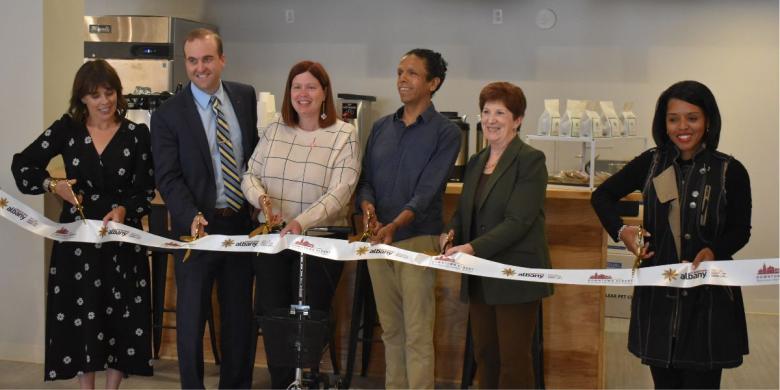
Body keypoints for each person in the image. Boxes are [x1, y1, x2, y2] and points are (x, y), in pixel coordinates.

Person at [591, 80, 751, 389]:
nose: (682, 127)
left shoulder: (731, 171)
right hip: (658, 301)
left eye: (692, 117)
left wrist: (714, 251)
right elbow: (603, 196)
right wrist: (622, 230)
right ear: (663, 123)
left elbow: (740, 230)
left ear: (708, 121)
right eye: (673, 118)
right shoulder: (650, 163)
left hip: (708, 300)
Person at [11, 59, 155, 388]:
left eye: (109, 93)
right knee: (81, 321)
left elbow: (145, 191)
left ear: (119, 94)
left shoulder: (137, 135)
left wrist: (123, 211)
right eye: (94, 95)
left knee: (122, 319)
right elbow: (23, 166)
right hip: (76, 247)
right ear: (82, 99)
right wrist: (52, 185)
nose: (104, 101)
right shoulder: (67, 130)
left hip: (121, 243)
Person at [241, 60, 360, 388]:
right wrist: (260, 199)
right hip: (273, 239)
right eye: (296, 87)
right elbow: (250, 174)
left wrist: (300, 222)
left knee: (308, 318)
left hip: (319, 242)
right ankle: (282, 382)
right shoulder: (275, 128)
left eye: (310, 87)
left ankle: (307, 380)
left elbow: (341, 192)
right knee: (274, 315)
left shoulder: (344, 135)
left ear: (324, 93)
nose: (302, 94)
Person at [150, 28, 258, 389]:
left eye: (207, 59)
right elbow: (168, 177)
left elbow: (253, 160)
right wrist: (190, 216)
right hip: (196, 228)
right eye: (193, 61)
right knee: (192, 321)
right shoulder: (168, 114)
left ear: (222, 59)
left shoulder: (245, 97)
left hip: (241, 226)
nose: (200, 68)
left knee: (239, 319)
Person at [355, 48, 460, 389]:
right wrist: (368, 208)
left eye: (412, 73)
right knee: (391, 332)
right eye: (400, 71)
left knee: (416, 334)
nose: (402, 79)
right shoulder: (382, 127)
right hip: (378, 243)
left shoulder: (446, 133)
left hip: (416, 241)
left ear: (433, 83)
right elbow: (366, 179)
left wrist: (395, 225)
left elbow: (427, 191)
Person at [441, 81, 553, 389]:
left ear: (517, 119)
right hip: (479, 276)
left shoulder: (530, 160)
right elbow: (464, 213)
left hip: (515, 276)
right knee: (485, 354)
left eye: (500, 112)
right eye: (486, 111)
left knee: (514, 360)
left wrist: (472, 248)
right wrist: (450, 236)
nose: (491, 119)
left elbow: (519, 221)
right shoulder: (477, 161)